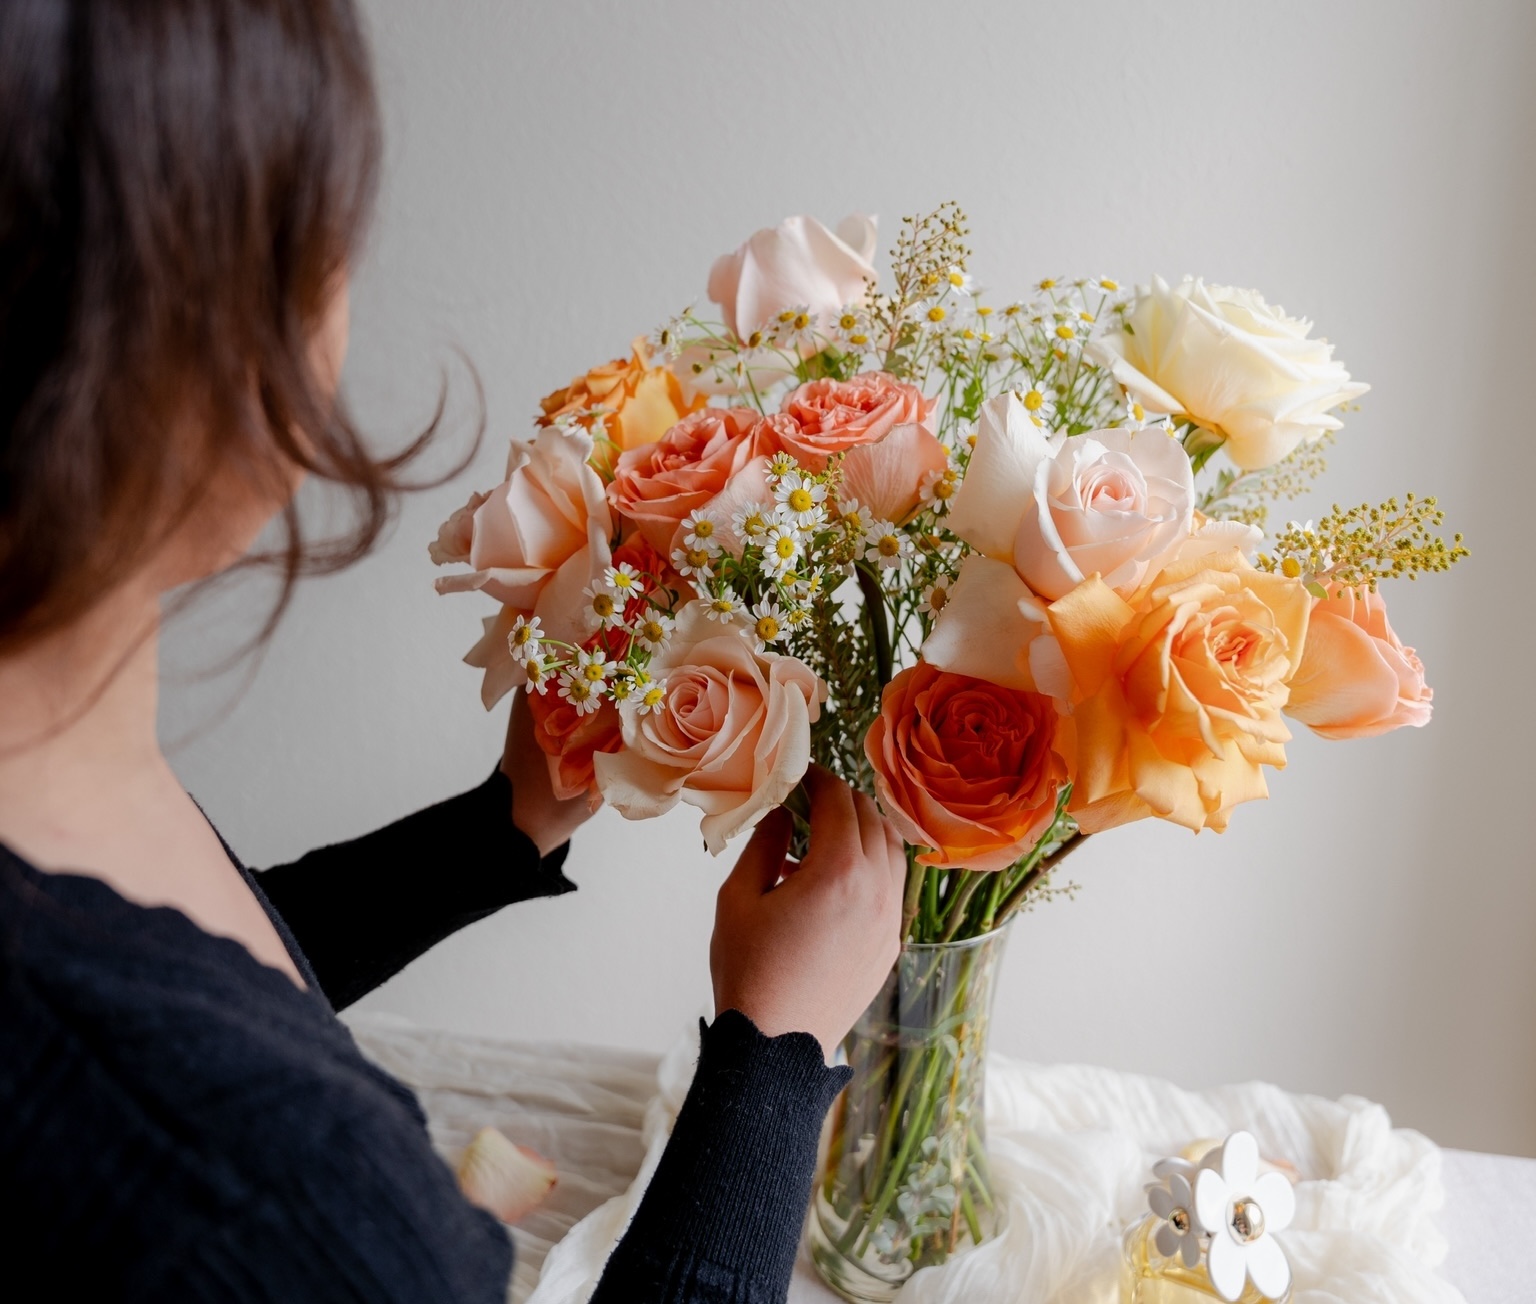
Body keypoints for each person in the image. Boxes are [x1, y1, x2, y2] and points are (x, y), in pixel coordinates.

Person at [0, 2, 906, 1300]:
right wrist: (776, 1055)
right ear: (177, 347)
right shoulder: (272, 1200)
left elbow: (196, 966)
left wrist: (499, 833)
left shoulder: (45, 755)